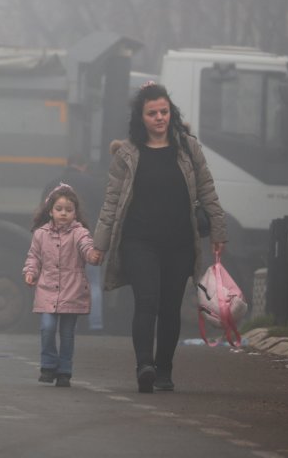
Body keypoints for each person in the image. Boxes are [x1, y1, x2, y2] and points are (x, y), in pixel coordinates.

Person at [89, 83, 227, 393]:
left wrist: (219, 231)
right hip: (139, 241)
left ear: (171, 113)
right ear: (141, 117)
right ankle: (144, 366)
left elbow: (207, 191)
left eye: (164, 111)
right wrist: (99, 244)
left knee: (170, 307)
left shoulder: (188, 149)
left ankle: (165, 370)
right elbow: (111, 202)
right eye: (152, 113)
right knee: (147, 301)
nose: (160, 118)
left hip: (179, 243)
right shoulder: (127, 155)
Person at [23, 183, 99, 388]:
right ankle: (48, 366)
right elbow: (34, 257)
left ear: (75, 213)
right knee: (47, 327)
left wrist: (92, 255)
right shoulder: (40, 234)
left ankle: (64, 371)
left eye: (68, 210)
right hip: (47, 288)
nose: (63, 213)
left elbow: (87, 248)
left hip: (72, 290)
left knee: (67, 334)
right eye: (59, 209)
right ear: (50, 211)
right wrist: (30, 272)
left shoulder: (80, 233)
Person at [44, 154, 105, 331]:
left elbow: (43, 213)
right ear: (84, 165)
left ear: (68, 164)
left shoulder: (53, 184)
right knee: (92, 283)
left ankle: (67, 325)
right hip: (88, 239)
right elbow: (105, 211)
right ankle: (96, 325)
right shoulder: (93, 184)